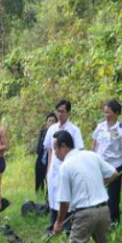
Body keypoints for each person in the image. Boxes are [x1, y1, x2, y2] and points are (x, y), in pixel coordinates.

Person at [50, 131, 122, 243]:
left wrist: (59, 223)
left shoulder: (65, 167)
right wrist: (98, 183)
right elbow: (114, 173)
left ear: (64, 146)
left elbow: (64, 201)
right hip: (104, 211)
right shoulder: (91, 155)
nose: (55, 154)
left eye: (56, 149)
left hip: (83, 215)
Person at [43, 99, 84, 232]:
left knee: (67, 197)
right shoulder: (52, 129)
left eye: (63, 111)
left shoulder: (74, 130)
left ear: (68, 113)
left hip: (68, 169)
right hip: (54, 169)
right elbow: (49, 151)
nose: (60, 114)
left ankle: (67, 225)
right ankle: (53, 223)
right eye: (58, 111)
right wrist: (48, 171)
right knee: (53, 197)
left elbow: (79, 151)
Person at [91, 99, 122, 226]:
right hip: (99, 166)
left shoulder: (121, 130)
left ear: (116, 113)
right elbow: (94, 145)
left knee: (113, 198)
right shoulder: (100, 127)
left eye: (108, 113)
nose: (106, 115)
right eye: (105, 113)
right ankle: (98, 221)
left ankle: (114, 222)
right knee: (97, 195)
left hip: (114, 167)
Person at [35, 113, 57, 194]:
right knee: (39, 178)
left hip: (50, 159)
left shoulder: (57, 133)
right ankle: (38, 194)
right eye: (49, 121)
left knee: (49, 179)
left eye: (53, 121)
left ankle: (48, 195)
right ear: (46, 122)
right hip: (41, 157)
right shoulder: (43, 132)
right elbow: (39, 145)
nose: (51, 123)